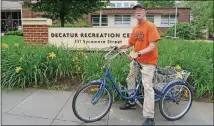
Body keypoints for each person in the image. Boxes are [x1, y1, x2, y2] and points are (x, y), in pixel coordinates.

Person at [118, 3, 160, 126]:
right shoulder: (136, 28)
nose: (138, 12)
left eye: (140, 10)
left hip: (148, 62)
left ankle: (149, 117)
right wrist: (119, 46)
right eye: (136, 10)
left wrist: (139, 53)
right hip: (137, 61)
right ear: (134, 13)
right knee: (130, 78)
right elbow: (130, 43)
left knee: (147, 87)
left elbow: (152, 46)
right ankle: (131, 101)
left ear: (145, 12)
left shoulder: (150, 26)